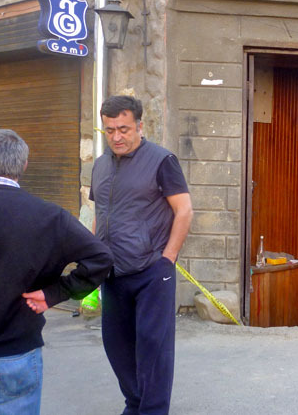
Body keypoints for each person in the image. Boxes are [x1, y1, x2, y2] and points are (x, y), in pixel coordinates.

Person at [0, 129, 113, 415]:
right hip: (18, 351)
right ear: (24, 165)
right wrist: (55, 293)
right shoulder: (50, 216)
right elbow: (101, 258)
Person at [90, 95, 193, 414]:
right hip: (112, 273)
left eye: (123, 129)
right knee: (117, 346)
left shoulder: (162, 161)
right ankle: (135, 404)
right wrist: (93, 255)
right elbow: (100, 213)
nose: (116, 137)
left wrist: (167, 259)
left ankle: (153, 410)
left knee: (153, 348)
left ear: (139, 126)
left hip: (151, 271)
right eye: (109, 130)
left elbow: (184, 210)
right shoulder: (100, 165)